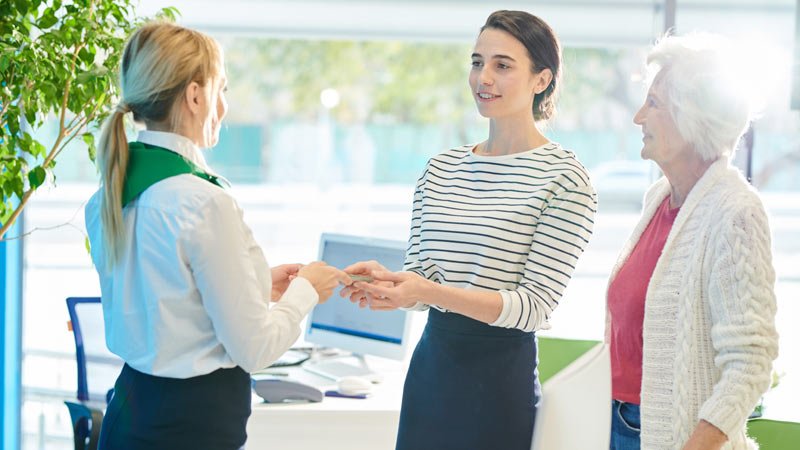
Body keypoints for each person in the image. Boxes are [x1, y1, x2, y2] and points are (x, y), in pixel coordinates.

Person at [84, 22, 350, 450]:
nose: (224, 107)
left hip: (130, 415)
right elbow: (256, 349)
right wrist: (307, 291)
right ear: (194, 95)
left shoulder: (108, 196)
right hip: (191, 427)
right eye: (221, 90)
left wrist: (258, 284)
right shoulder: (202, 202)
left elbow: (170, 304)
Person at [343, 10, 597, 450]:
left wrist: (427, 292)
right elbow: (423, 276)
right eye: (477, 62)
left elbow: (533, 307)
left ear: (542, 80)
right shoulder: (440, 168)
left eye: (503, 65)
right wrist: (388, 285)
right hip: (431, 372)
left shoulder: (564, 178)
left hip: (498, 383)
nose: (484, 77)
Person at [606, 33, 779, 450]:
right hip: (615, 422)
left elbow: (751, 362)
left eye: (653, 104)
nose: (638, 118)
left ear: (692, 117)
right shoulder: (658, 199)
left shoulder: (735, 211)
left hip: (672, 437)